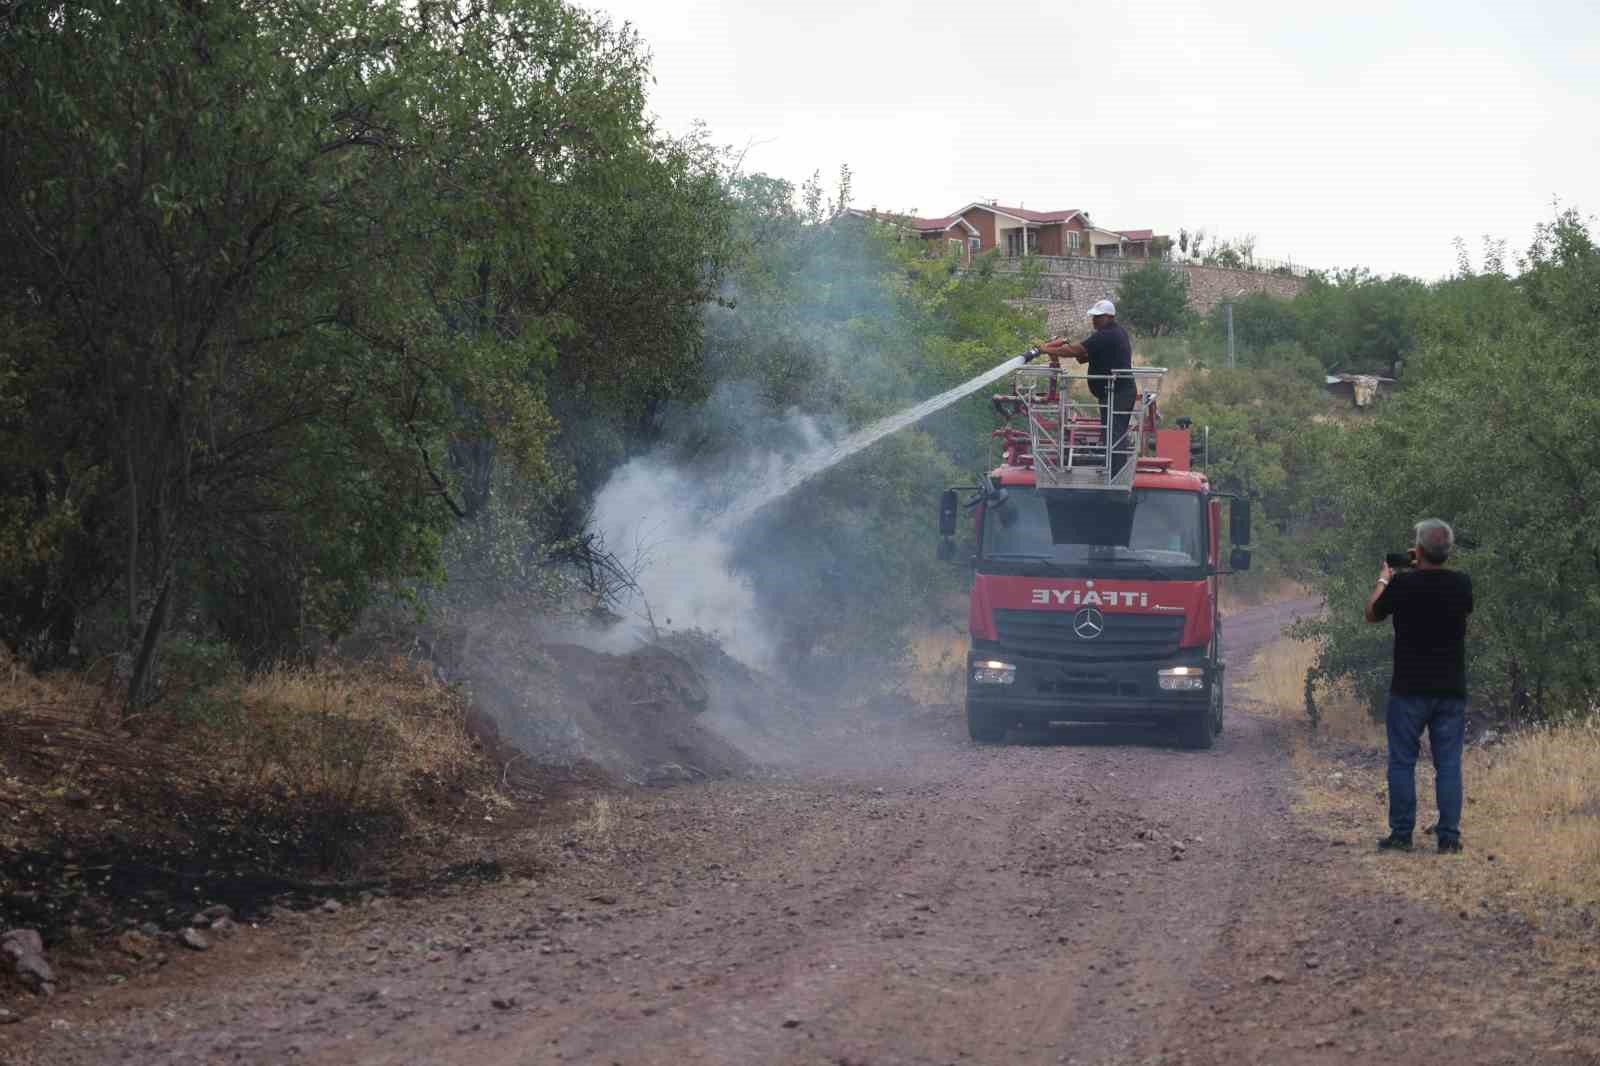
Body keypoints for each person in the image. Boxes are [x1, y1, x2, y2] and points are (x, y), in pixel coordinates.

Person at [1365, 518, 1474, 853]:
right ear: (1448, 551)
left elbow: (1371, 613)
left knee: (1402, 762)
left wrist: (1385, 579)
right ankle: (1449, 837)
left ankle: (1401, 834)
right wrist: (1425, 561)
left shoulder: (1403, 585)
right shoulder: (1462, 584)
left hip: (1409, 687)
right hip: (1450, 688)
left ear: (1419, 550)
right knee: (1449, 764)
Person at [1038, 299, 1136, 474]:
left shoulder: (1108, 334)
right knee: (1110, 430)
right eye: (1093, 317)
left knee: (1115, 431)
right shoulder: (1111, 333)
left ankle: (1116, 473)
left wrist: (1048, 349)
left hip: (1119, 391)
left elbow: (1077, 351)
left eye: (1097, 317)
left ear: (1108, 316)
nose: (1094, 320)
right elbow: (1083, 356)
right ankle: (1110, 469)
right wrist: (1066, 347)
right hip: (1112, 391)